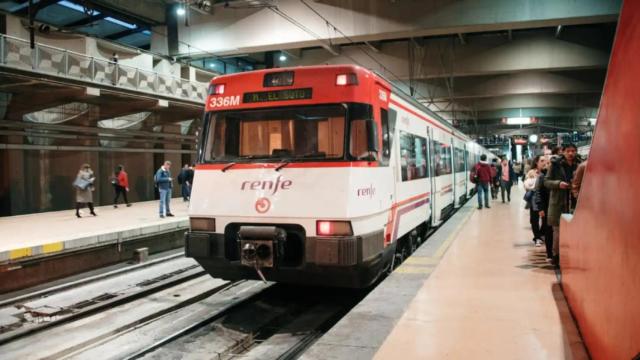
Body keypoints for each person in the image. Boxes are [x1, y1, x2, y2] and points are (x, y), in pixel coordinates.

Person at [544, 144, 581, 266]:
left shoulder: (579, 164)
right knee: (558, 231)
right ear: (563, 152)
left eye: (573, 151)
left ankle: (571, 255)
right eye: (568, 151)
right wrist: (558, 183)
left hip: (575, 201)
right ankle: (556, 256)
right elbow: (546, 182)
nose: (571, 153)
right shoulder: (555, 165)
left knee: (574, 229)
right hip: (559, 201)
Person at [533, 155, 553, 262]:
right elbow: (538, 192)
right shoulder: (542, 176)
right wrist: (540, 208)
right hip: (546, 206)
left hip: (556, 206)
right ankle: (549, 253)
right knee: (548, 229)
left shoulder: (558, 174)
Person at [524, 156, 546, 246]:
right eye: (542, 161)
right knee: (534, 219)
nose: (544, 162)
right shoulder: (531, 172)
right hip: (534, 199)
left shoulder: (548, 171)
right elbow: (526, 185)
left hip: (545, 198)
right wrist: (534, 185)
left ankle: (540, 234)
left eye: (545, 161)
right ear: (537, 162)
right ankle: (537, 237)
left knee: (545, 219)